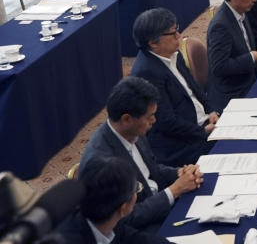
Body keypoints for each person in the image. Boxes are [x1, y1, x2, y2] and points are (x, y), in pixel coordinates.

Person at [78, 77, 203, 230]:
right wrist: (174, 191)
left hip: (160, 202)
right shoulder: (101, 161)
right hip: (143, 227)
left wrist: (179, 173)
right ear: (126, 119)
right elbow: (123, 219)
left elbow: (152, 169)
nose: (154, 120)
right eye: (149, 116)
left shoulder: (134, 131)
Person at [129, 9, 217, 167]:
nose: (179, 35)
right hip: (181, 144)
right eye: (173, 33)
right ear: (153, 43)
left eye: (177, 29)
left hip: (202, 124)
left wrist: (211, 110)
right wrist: (202, 132)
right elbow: (166, 122)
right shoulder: (147, 72)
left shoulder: (172, 53)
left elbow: (195, 89)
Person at [58, 156, 169, 244]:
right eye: (136, 188)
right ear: (124, 208)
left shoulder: (107, 218)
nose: (138, 190)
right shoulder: (67, 237)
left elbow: (135, 238)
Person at [206, 0, 257, 112]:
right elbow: (219, 67)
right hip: (234, 91)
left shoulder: (240, 12)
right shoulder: (220, 26)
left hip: (250, 77)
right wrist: (250, 58)